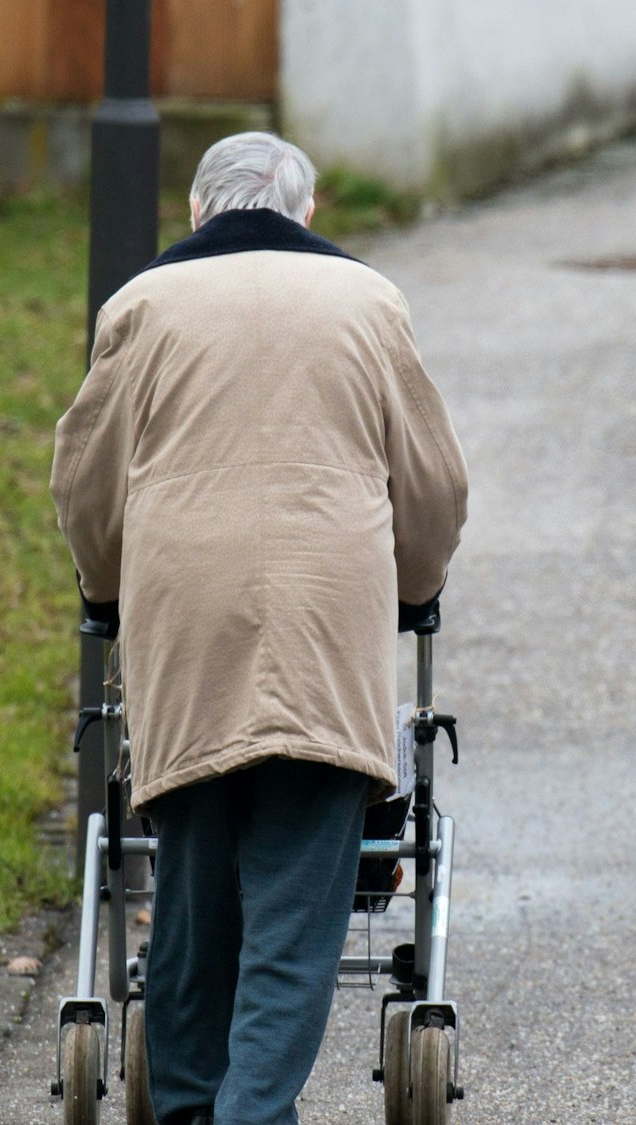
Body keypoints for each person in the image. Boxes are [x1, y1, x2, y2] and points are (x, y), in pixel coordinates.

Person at [50, 131, 468, 1125]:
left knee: (192, 899)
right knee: (294, 912)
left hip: (187, 625)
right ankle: (250, 1114)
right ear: (306, 212)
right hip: (324, 625)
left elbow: (85, 481)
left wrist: (104, 590)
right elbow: (435, 485)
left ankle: (194, 1109)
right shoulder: (367, 303)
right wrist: (415, 588)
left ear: (198, 212)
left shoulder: (142, 306)